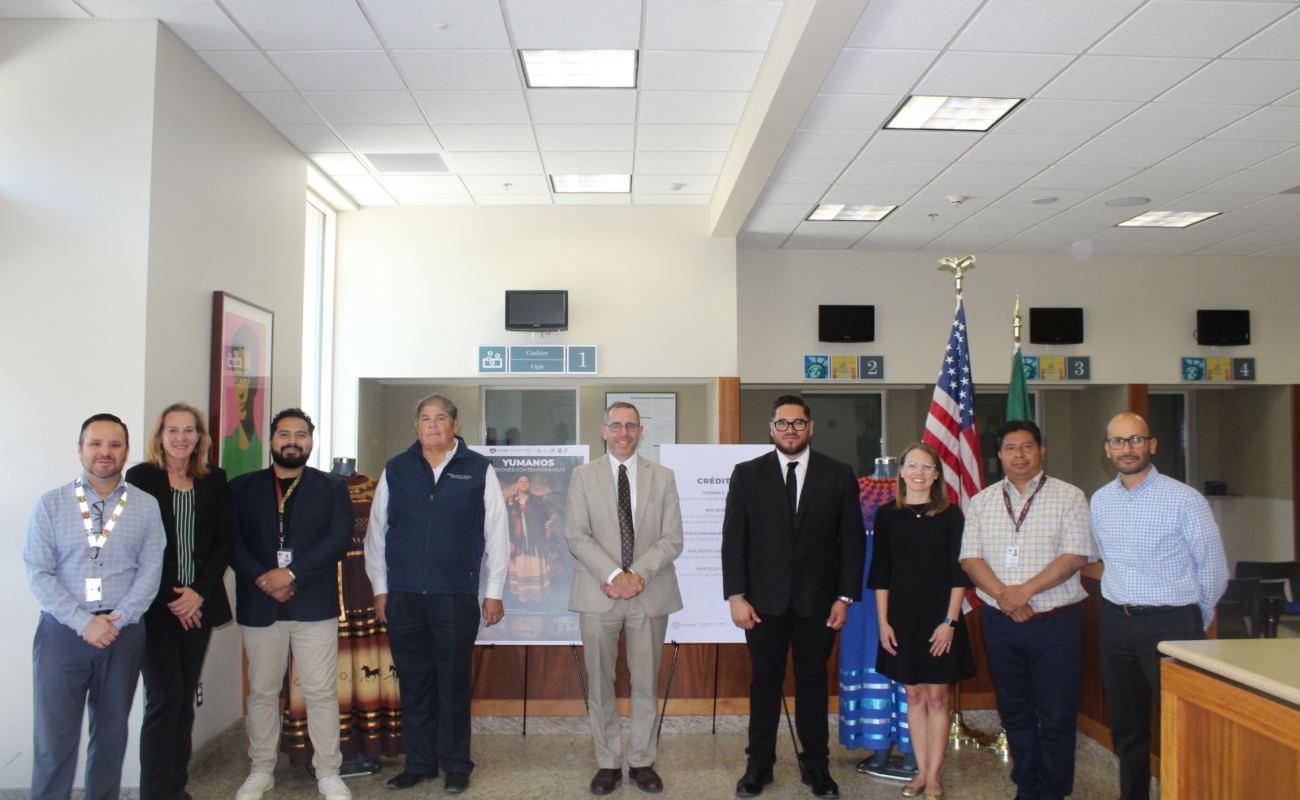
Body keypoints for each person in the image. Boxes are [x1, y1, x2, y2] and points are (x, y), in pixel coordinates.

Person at [365, 394, 509, 795]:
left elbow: (497, 533)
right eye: (425, 419)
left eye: (440, 418)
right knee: (414, 682)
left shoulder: (478, 469)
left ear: (455, 424)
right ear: (416, 426)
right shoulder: (396, 468)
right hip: (405, 595)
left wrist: (493, 592)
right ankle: (420, 763)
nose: (432, 425)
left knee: (452, 682)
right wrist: (381, 588)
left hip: (454, 594)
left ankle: (457, 764)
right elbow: (378, 534)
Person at [721, 396, 865, 799]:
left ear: (811, 428)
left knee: (813, 682)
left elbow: (852, 544)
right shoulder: (747, 474)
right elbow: (734, 540)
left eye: (798, 423)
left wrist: (845, 598)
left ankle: (817, 766)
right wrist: (735, 595)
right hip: (762, 604)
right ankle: (759, 766)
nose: (790, 430)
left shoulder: (838, 475)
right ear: (771, 429)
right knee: (764, 683)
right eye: (782, 424)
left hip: (818, 604)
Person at [24, 414, 165, 800]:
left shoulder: (146, 506)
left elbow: (151, 572)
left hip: (123, 633)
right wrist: (84, 622)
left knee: (111, 736)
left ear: (126, 451)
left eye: (115, 445)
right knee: (55, 739)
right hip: (63, 634)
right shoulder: (50, 505)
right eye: (96, 444)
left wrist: (116, 620)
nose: (105, 452)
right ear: (81, 449)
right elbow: (39, 573)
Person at [1090, 412, 1227, 800]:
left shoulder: (1185, 499)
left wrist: (1192, 622)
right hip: (1116, 624)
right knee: (1127, 728)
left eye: (1136, 440)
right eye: (1118, 441)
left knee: (1180, 725)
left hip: (1173, 625)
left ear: (1152, 444)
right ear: (1107, 449)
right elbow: (1108, 560)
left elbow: (1214, 571)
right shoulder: (1100, 501)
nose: (1127, 448)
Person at [959, 419, 1097, 800]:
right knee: (1014, 711)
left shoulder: (1070, 496)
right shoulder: (983, 500)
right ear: (999, 454)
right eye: (1010, 448)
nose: (1019, 455)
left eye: (1027, 447)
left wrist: (1024, 593)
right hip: (1000, 622)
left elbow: (1074, 556)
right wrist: (1006, 596)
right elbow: (970, 559)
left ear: (1041, 451)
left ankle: (1054, 790)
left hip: (1056, 623)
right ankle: (1029, 785)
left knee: (1056, 714)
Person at [229, 408, 353, 800]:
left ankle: (328, 771)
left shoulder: (331, 487)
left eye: (301, 435)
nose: (292, 441)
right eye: (284, 434)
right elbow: (232, 541)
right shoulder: (242, 487)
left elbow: (337, 539)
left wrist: (292, 574)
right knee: (262, 692)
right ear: (271, 440)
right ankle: (261, 769)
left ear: (311, 443)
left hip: (313, 603)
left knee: (319, 691)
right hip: (260, 603)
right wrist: (266, 579)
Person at [566, 402, 685, 795]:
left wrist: (636, 577)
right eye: (616, 426)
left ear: (640, 431)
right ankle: (607, 762)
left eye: (630, 426)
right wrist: (615, 575)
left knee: (645, 682)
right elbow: (577, 535)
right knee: (600, 683)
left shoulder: (663, 477)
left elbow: (672, 538)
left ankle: (641, 761)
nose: (623, 433)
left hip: (649, 593)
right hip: (599, 592)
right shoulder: (582, 476)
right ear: (603, 431)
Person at [125, 403, 234, 800]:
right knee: (163, 699)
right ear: (159, 436)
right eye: (173, 430)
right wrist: (177, 595)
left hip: (199, 604)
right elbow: (138, 542)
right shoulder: (140, 478)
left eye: (190, 431)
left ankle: (177, 788)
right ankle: (155, 792)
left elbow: (224, 542)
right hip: (156, 606)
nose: (181, 438)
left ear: (200, 438)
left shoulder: (214, 479)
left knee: (184, 697)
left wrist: (197, 593)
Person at [869, 443, 974, 800]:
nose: (918, 472)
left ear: (936, 474)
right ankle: (919, 771)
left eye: (926, 466)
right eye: (911, 465)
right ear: (900, 471)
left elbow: (960, 574)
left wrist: (951, 622)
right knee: (913, 694)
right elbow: (880, 573)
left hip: (940, 618)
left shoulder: (951, 515)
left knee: (937, 697)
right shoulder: (886, 515)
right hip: (900, 618)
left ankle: (933, 775)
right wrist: (883, 623)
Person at [221, 323, 265, 478]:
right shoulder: (226, 444)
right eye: (237, 379)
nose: (240, 392)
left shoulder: (262, 447)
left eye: (246, 378)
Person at [507, 473, 552, 603]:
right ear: (517, 484)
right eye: (521, 481)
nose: (524, 483)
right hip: (517, 542)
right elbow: (503, 521)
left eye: (526, 481)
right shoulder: (509, 500)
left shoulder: (537, 500)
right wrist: (508, 540)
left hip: (535, 542)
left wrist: (547, 532)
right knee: (520, 565)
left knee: (535, 565)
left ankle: (536, 596)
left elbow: (547, 518)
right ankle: (521, 594)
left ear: (529, 484)